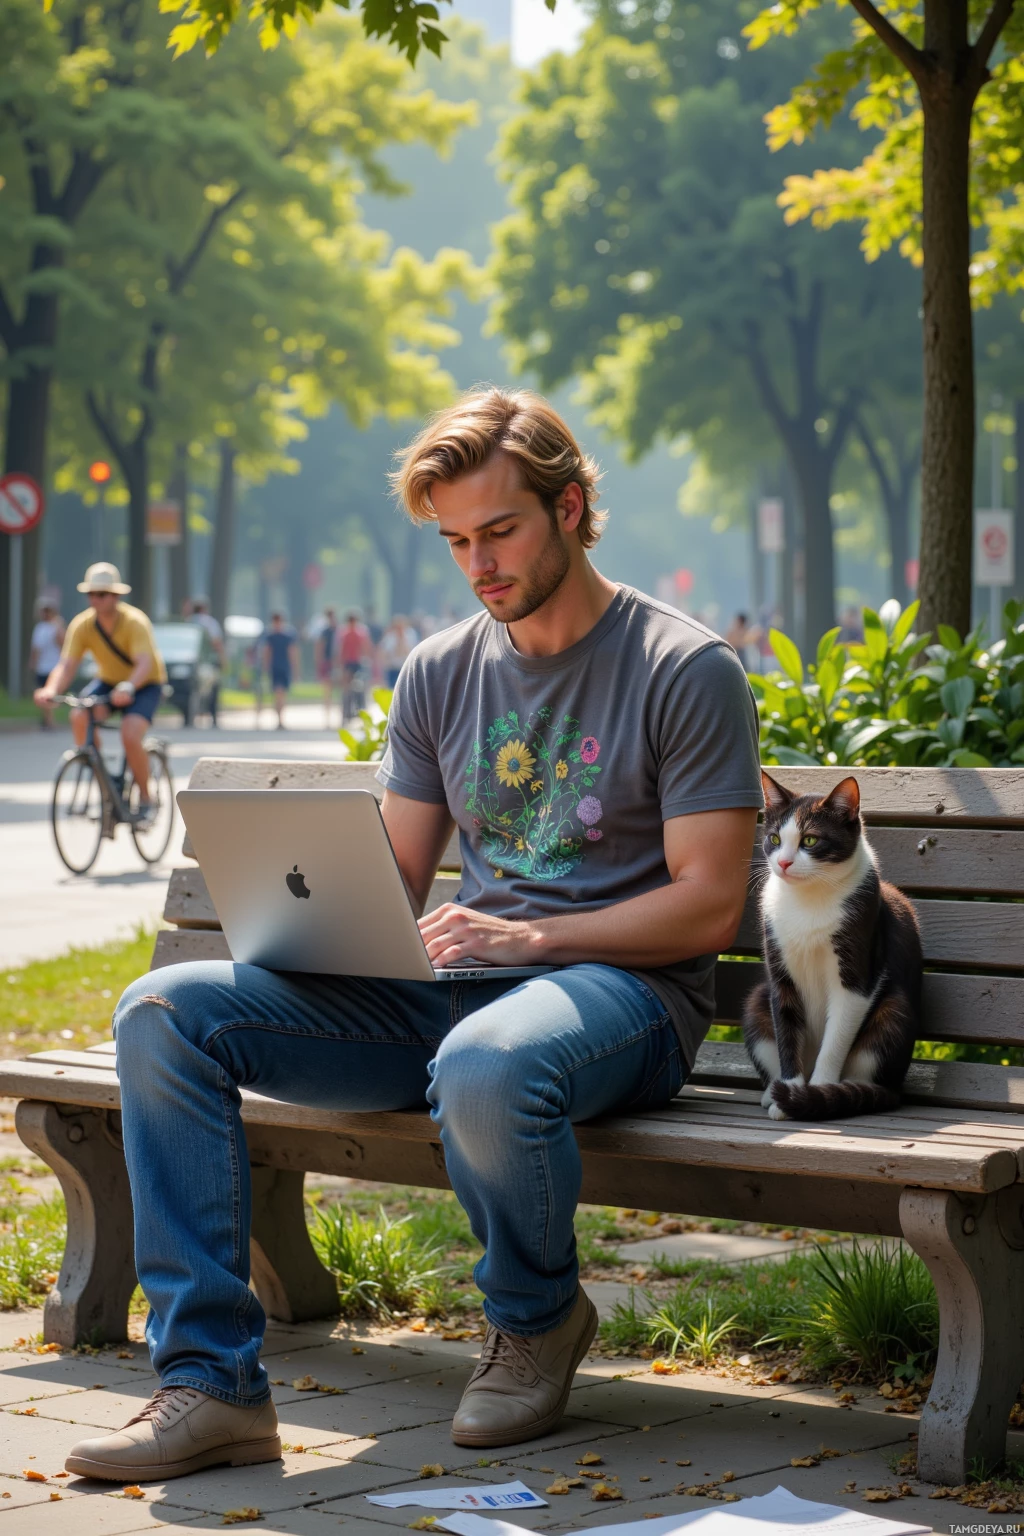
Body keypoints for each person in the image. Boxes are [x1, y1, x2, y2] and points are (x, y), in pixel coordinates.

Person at [69, 387, 761, 1484]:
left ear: (572, 507)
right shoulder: (441, 669)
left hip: (620, 997)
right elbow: (391, 874)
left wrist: (535, 941)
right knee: (163, 1013)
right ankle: (211, 1384)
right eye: (454, 542)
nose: (477, 565)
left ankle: (535, 1319)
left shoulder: (683, 669)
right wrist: (311, 920)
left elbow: (710, 904)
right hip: (452, 988)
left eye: (500, 532)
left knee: (484, 1067)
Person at [34, 563, 167, 821]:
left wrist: (129, 686)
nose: (96, 599)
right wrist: (50, 689)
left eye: (102, 594)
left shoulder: (134, 622)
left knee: (130, 733)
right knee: (80, 715)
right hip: (108, 681)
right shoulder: (82, 625)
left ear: (116, 596)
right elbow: (66, 665)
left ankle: (147, 798)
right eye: (91, 594)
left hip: (144, 684)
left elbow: (144, 663)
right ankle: (104, 780)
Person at [30, 599, 66, 729]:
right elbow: (36, 648)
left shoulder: (56, 627)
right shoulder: (39, 628)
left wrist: (59, 627)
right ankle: (47, 719)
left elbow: (63, 644)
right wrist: (33, 662)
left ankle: (50, 720)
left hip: (54, 667)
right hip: (42, 667)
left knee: (51, 695)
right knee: (42, 694)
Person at [190, 599, 224, 727]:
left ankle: (192, 717)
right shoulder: (209, 622)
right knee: (212, 690)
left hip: (190, 662)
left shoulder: (189, 622)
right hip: (207, 662)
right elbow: (216, 642)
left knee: (193, 690)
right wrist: (222, 658)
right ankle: (213, 717)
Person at [262, 612, 299, 730]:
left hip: (284, 667)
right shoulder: (270, 636)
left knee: (281, 694)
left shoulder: (287, 636)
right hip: (275, 667)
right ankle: (279, 719)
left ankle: (280, 718)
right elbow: (267, 652)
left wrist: (295, 668)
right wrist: (265, 666)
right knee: (278, 693)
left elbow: (292, 652)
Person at [338, 610, 372, 721]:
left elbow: (365, 647)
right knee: (347, 689)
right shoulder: (344, 633)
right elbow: (341, 650)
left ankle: (360, 712)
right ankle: (346, 713)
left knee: (360, 688)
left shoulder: (361, 632)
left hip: (358, 662)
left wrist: (366, 660)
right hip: (348, 663)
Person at [314, 606, 340, 728]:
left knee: (339, 690)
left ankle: (339, 716)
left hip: (337, 662)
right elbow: (320, 647)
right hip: (328, 662)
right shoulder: (325, 632)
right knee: (327, 690)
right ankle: (328, 717)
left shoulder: (339, 630)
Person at [378, 613, 416, 688]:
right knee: (392, 688)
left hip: (405, 667)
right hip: (392, 668)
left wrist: (402, 640)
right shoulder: (390, 637)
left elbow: (411, 651)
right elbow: (384, 652)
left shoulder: (410, 635)